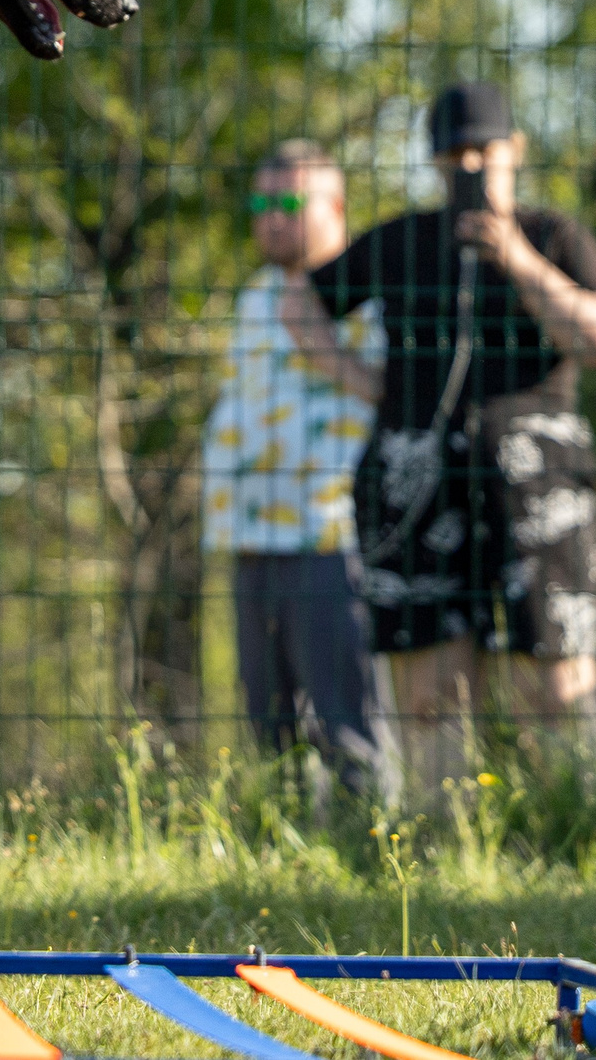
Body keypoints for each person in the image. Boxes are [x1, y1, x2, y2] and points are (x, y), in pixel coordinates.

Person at [304, 82, 596, 795]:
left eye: (486, 151)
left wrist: (517, 258)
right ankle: (438, 840)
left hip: (537, 482)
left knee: (557, 678)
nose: (472, 166)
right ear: (435, 163)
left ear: (516, 151)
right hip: (416, 481)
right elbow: (301, 297)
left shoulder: (556, 236)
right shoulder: (402, 239)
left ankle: (586, 825)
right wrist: (364, 381)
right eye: (456, 155)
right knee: (429, 691)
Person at [200, 142, 394, 801]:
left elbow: (397, 400)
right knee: (269, 726)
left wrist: (323, 347)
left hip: (328, 534)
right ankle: (282, 855)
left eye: (289, 203)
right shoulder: (254, 296)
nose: (272, 218)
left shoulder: (367, 294)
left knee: (347, 719)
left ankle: (374, 849)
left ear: (334, 207)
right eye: (262, 202)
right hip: (250, 537)